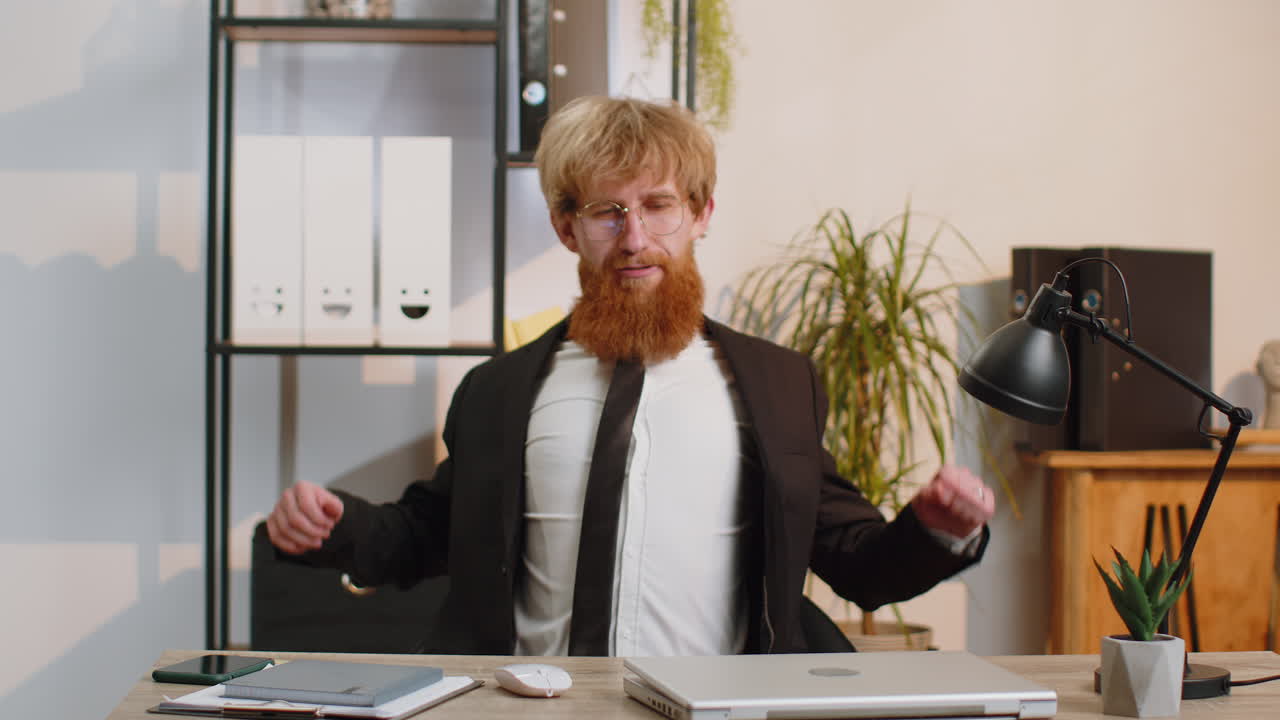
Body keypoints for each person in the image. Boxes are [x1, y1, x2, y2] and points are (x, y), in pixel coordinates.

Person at [266, 96, 996, 656]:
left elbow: (857, 565)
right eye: (608, 213)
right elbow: (427, 534)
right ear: (566, 227)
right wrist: (333, 526)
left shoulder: (780, 386)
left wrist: (936, 531)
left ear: (702, 213)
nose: (636, 239)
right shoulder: (495, 392)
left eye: (658, 206)